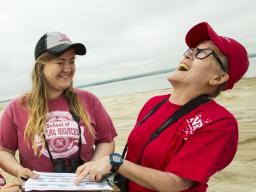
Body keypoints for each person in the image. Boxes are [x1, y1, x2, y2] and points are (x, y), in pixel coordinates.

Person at [74, 22, 249, 192]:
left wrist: (115, 162)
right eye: (191, 50)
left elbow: (174, 183)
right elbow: (136, 162)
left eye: (202, 53)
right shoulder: (154, 103)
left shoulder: (219, 123)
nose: (188, 55)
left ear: (218, 78)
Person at [0, 32, 117, 186]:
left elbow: (106, 141)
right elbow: (4, 151)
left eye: (72, 61)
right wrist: (18, 170)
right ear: (41, 66)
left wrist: (94, 164)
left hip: (86, 187)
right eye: (60, 62)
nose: (68, 69)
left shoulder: (89, 99)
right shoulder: (17, 107)